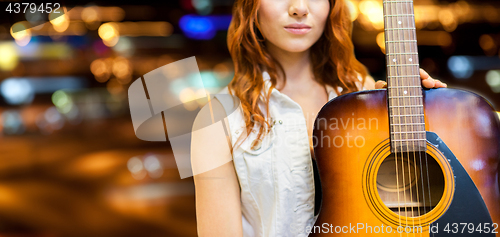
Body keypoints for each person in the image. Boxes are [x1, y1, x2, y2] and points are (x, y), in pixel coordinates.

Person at [191, 0, 447, 236]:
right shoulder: (217, 119)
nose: (299, 8)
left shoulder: (362, 93)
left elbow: (403, 204)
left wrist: (433, 117)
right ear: (251, 7)